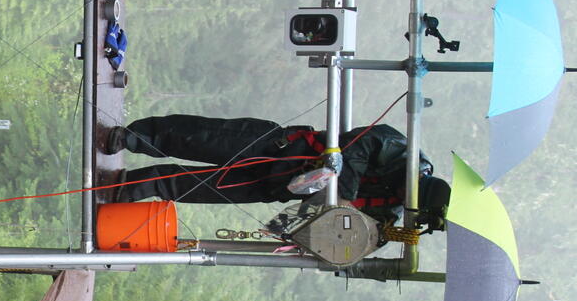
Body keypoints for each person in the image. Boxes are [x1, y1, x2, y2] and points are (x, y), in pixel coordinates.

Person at [100, 114, 451, 228]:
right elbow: (362, 142)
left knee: (200, 187)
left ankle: (131, 187)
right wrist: (343, 192)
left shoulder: (390, 210)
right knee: (199, 139)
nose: (405, 203)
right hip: (285, 149)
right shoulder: (403, 152)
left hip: (284, 188)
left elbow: (354, 229)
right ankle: (132, 138)